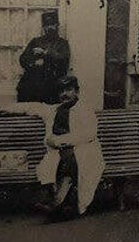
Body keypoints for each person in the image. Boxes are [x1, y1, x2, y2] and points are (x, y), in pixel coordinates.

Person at [35, 75, 105, 218]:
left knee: (72, 163)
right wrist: (7, 109)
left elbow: (89, 134)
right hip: (61, 153)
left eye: (68, 90)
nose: (64, 94)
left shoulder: (85, 110)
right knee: (51, 165)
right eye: (61, 91)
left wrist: (59, 141)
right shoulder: (54, 110)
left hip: (84, 150)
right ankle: (59, 204)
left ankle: (58, 204)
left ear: (77, 91)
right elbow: (32, 107)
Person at [17, 10, 70, 104]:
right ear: (43, 27)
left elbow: (63, 59)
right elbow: (23, 59)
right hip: (33, 84)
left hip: (52, 85)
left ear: (57, 25)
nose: (49, 27)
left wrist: (45, 53)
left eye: (52, 24)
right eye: (46, 25)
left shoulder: (62, 43)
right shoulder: (35, 41)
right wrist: (33, 62)